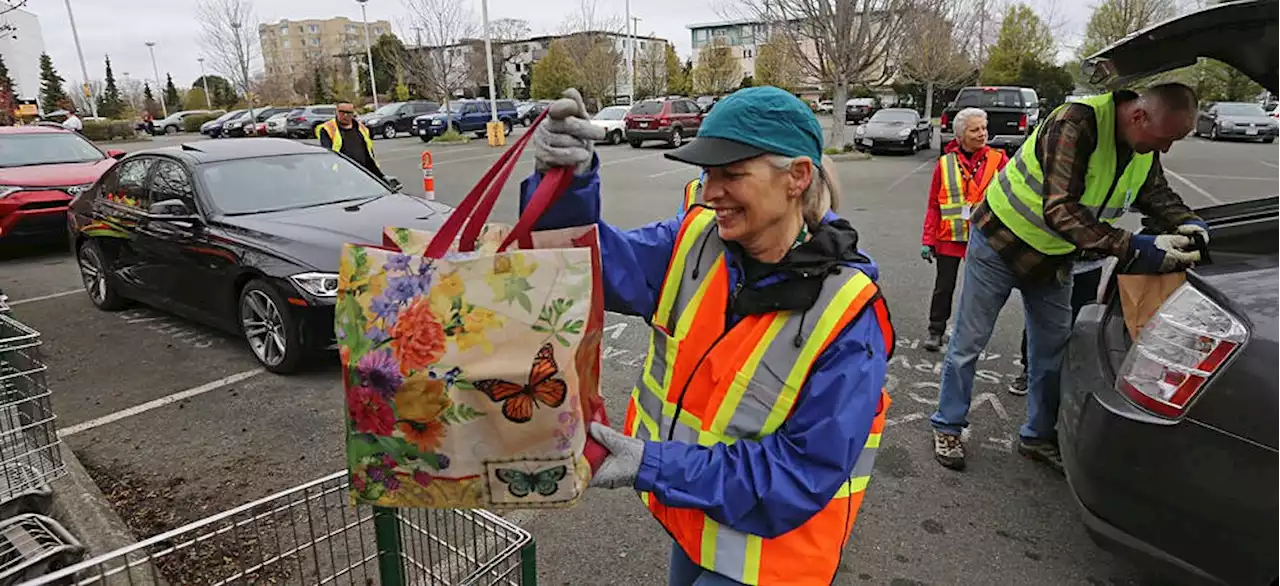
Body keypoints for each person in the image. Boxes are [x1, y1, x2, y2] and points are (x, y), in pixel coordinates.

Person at [523, 87, 893, 586]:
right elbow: (581, 265)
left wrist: (654, 464)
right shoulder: (697, 241)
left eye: (731, 174)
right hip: (697, 522)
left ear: (797, 177)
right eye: (707, 173)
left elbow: (799, 473)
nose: (710, 191)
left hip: (770, 562)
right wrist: (565, 180)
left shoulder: (849, 316)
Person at [929, 83, 1209, 473]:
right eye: (1166, 138)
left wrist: (1189, 223)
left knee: (1052, 352)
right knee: (968, 342)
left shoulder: (1142, 147)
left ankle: (1038, 436)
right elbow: (1060, 209)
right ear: (1139, 116)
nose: (1166, 149)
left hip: (1054, 260)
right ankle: (948, 424)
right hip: (1000, 244)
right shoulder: (1075, 123)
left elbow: (1155, 193)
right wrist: (1137, 246)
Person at [919, 108, 1009, 353]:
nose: (982, 134)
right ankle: (935, 329)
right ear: (960, 135)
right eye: (975, 129)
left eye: (983, 128)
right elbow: (934, 205)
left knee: (978, 291)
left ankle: (969, 335)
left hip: (985, 238)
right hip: (949, 238)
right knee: (944, 287)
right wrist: (928, 240)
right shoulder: (945, 163)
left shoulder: (998, 160)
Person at [317, 102, 384, 179]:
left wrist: (379, 175)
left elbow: (368, 154)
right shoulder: (328, 128)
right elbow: (327, 155)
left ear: (353, 114)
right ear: (336, 112)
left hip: (362, 172)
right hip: (340, 175)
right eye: (342, 112)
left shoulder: (362, 128)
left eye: (348, 112)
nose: (345, 115)